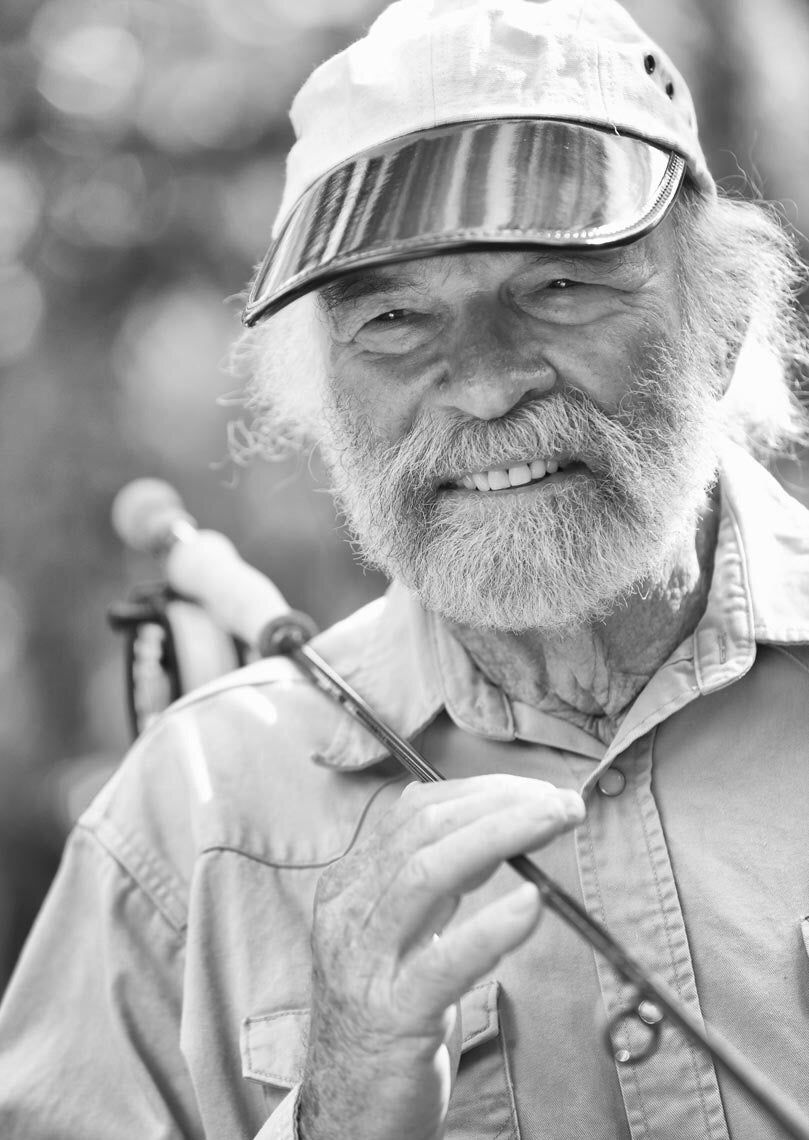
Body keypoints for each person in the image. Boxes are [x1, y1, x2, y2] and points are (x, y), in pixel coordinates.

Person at [2, 0, 809, 1137]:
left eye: (558, 287)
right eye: (391, 318)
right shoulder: (193, 821)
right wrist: (330, 1111)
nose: (483, 385)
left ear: (720, 319)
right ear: (319, 396)